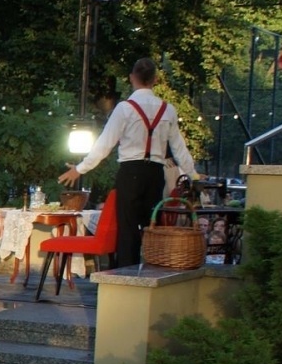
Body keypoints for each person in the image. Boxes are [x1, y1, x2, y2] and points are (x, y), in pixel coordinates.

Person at [58, 56, 198, 268]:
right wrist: (193, 174)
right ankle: (154, 271)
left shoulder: (125, 109)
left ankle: (127, 276)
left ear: (132, 77)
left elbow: (105, 144)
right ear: (156, 80)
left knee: (128, 229)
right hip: (155, 175)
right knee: (152, 227)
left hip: (130, 172)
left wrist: (80, 169)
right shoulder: (167, 110)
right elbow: (179, 147)